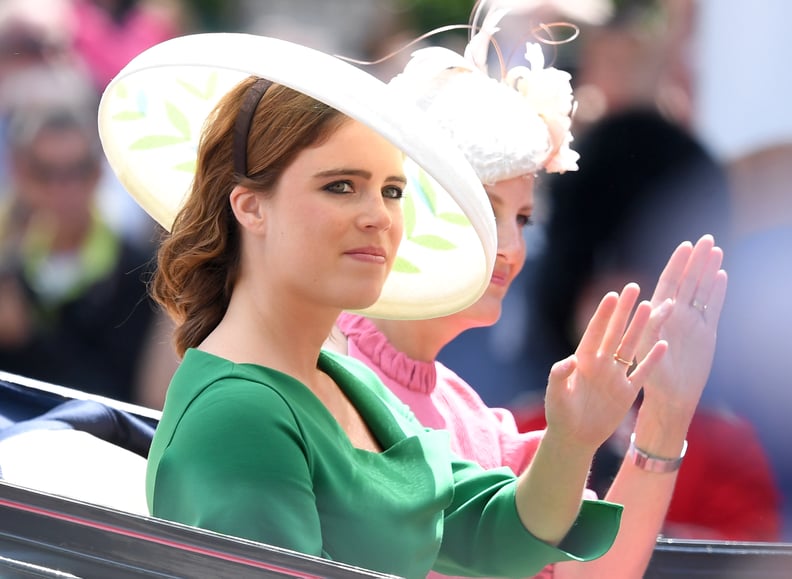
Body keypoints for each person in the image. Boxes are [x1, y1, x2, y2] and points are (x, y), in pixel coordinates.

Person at [99, 32, 675, 579]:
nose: (379, 214)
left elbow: (492, 532)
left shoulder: (344, 379)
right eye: (340, 186)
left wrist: (574, 436)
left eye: (392, 190)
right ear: (252, 208)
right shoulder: (240, 414)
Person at [328, 8, 729, 578]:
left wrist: (665, 416)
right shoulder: (325, 367)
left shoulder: (473, 415)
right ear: (403, 200)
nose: (512, 247)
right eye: (488, 210)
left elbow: (586, 574)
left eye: (523, 218)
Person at [515, 106, 780, 542]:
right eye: (612, 297)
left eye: (646, 292)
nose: (632, 318)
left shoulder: (727, 449)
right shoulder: (520, 429)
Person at [0, 99, 174, 404]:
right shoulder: (9, 256)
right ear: (22, 172)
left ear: (97, 172)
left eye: (77, 171)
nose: (62, 188)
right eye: (45, 172)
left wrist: (25, 339)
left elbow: (116, 396)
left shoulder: (136, 271)